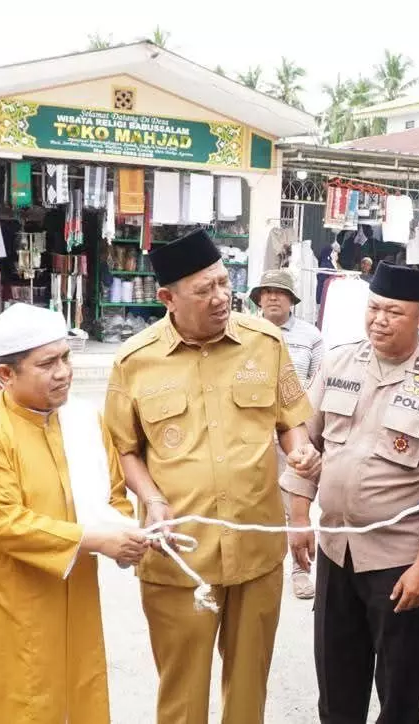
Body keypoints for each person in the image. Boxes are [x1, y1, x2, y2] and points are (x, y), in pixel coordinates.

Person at [104, 228, 321, 724]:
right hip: (179, 557)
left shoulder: (265, 343)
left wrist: (303, 451)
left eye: (224, 282)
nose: (222, 297)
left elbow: (291, 422)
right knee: (182, 696)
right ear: (168, 298)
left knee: (249, 695)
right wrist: (152, 499)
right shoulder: (133, 362)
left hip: (257, 552)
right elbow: (126, 451)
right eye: (204, 290)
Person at [281, 262, 419, 724]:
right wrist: (298, 516)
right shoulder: (338, 363)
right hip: (336, 552)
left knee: (399, 692)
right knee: (335, 683)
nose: (379, 320)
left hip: (398, 565)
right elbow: (304, 441)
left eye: (394, 311)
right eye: (373, 308)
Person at [0, 302, 149, 724]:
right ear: (5, 376)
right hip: (5, 600)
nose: (64, 371)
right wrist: (95, 540)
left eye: (66, 357)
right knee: (12, 704)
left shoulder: (84, 420)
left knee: (75, 694)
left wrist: (124, 536)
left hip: (75, 594)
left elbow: (113, 493)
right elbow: (5, 522)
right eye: (47, 363)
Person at [250, 268, 324, 600]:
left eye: (279, 292)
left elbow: (320, 380)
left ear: (291, 300)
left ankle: (299, 569)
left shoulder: (311, 336)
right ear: (258, 299)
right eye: (266, 292)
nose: (273, 297)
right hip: (251, 429)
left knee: (294, 500)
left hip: (294, 429)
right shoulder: (242, 333)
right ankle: (254, 567)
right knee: (250, 501)